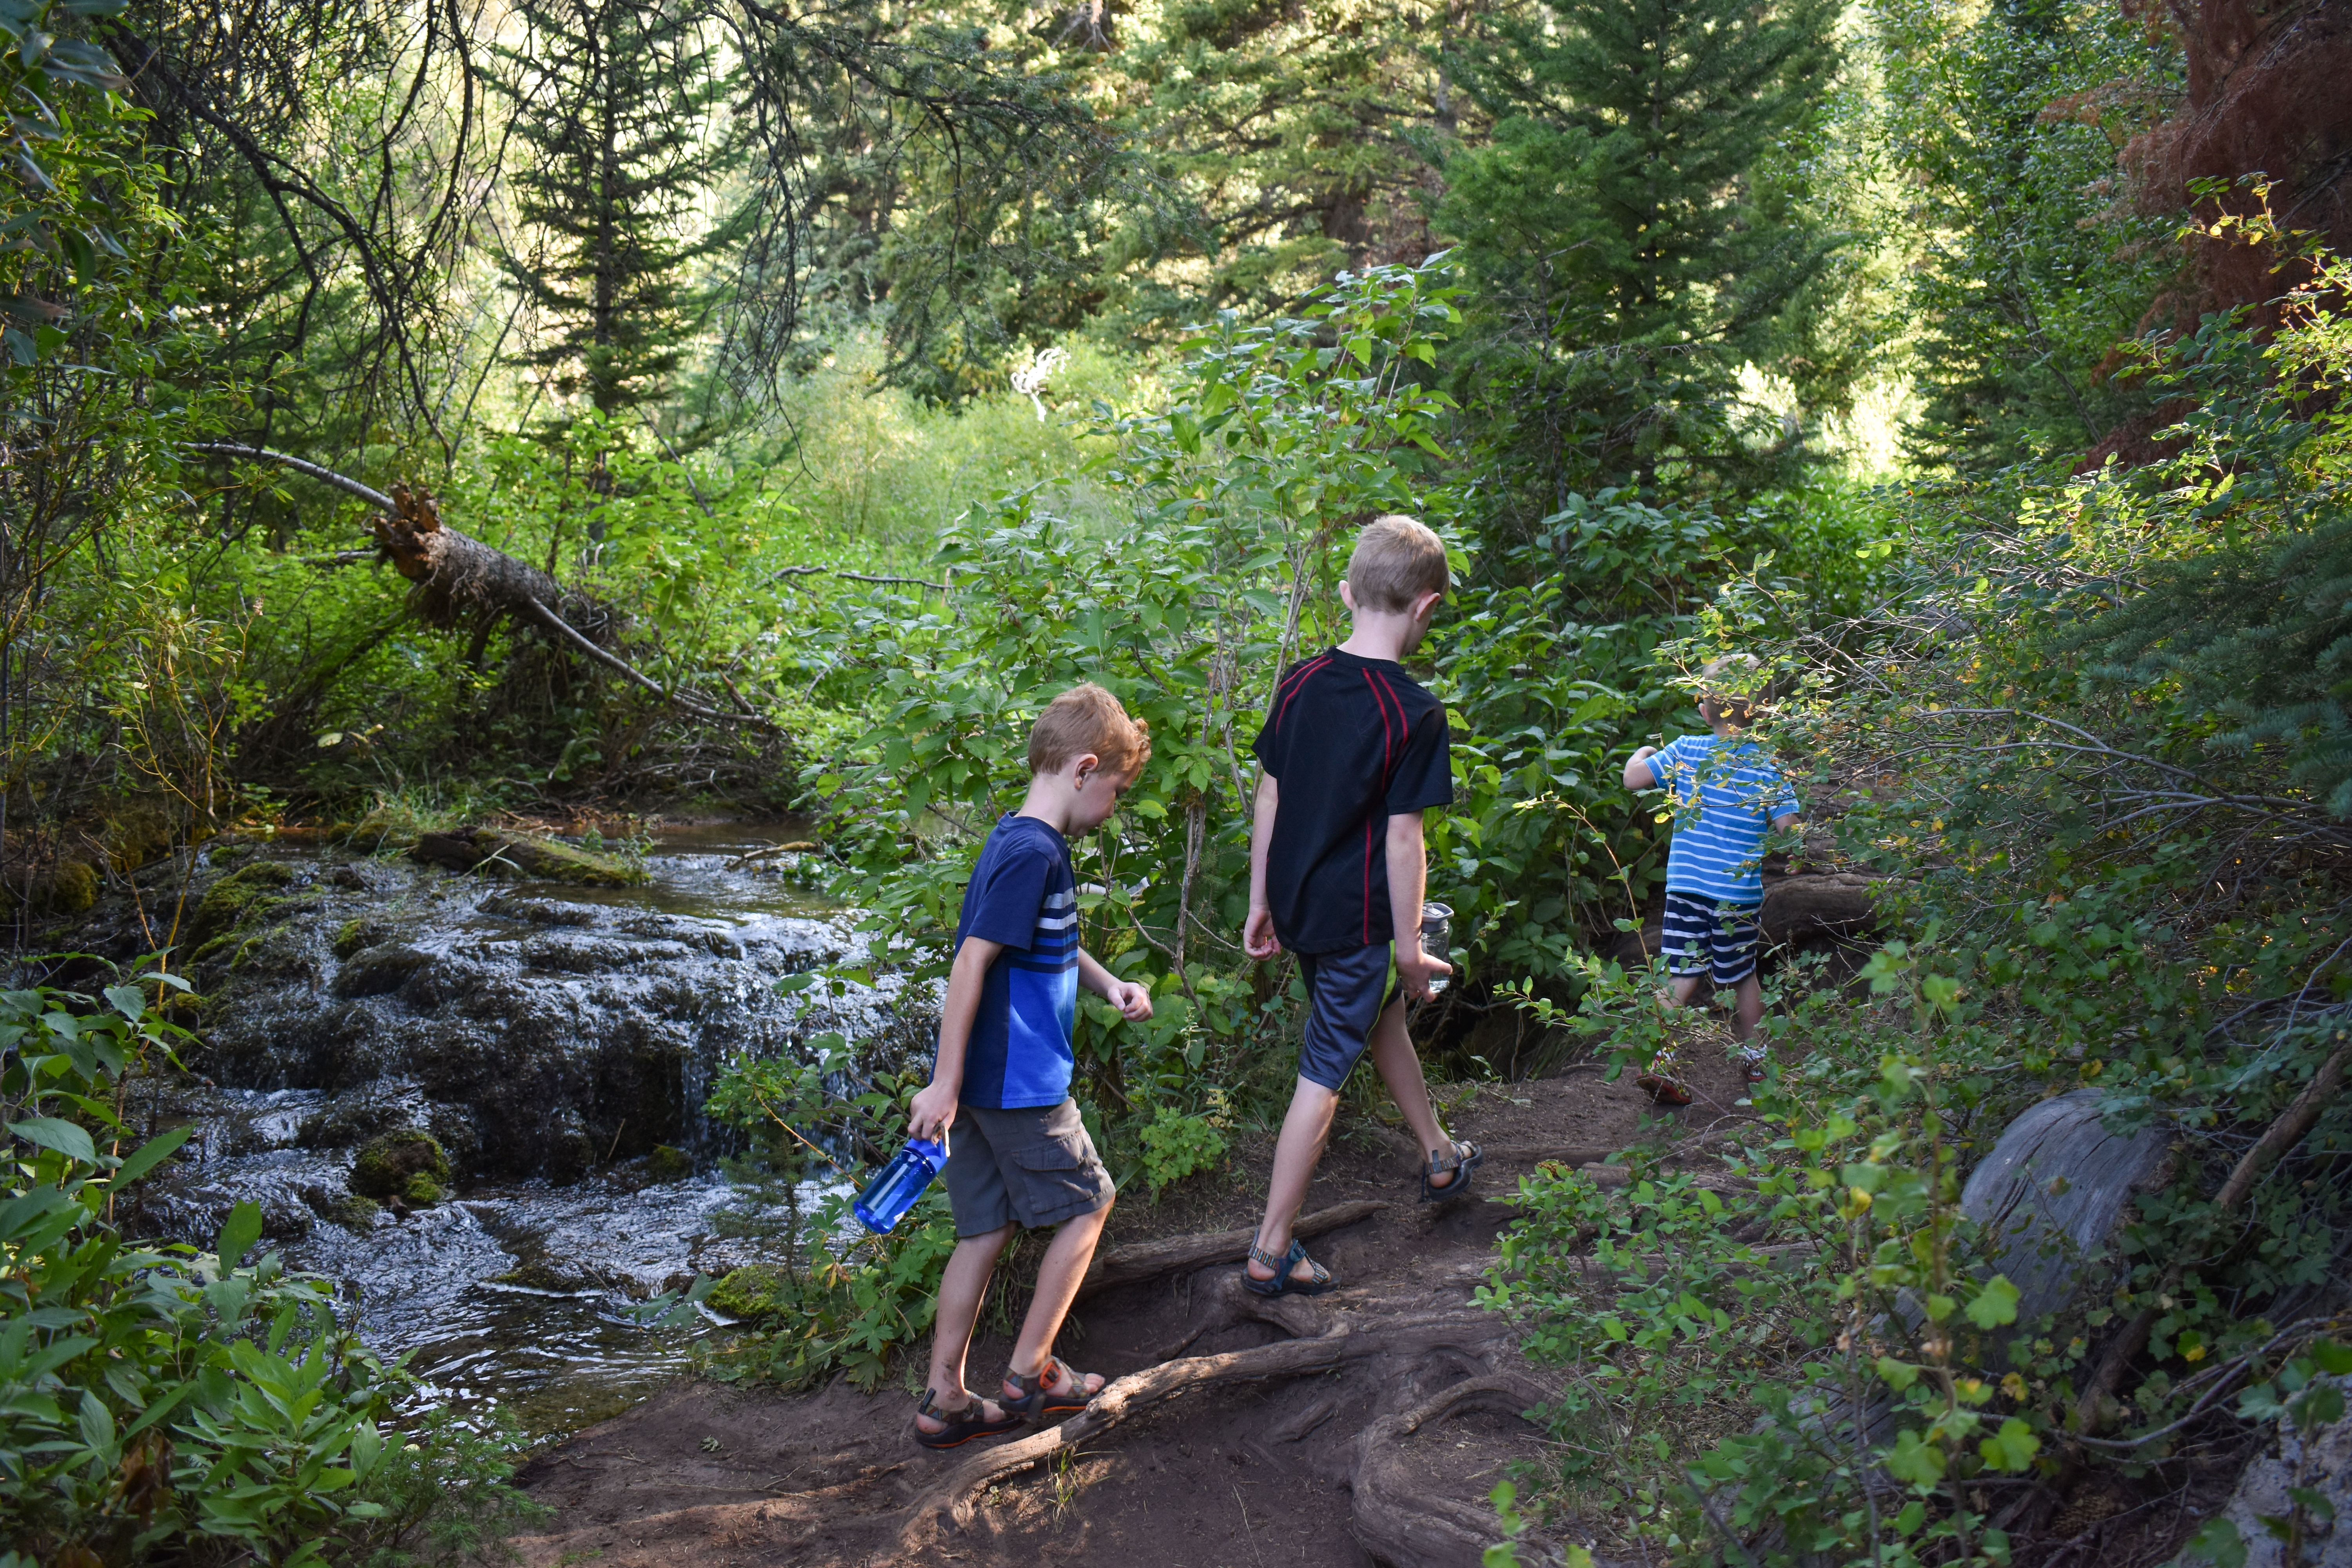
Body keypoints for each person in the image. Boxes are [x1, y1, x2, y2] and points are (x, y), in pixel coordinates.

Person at [903, 684, 1156, 1449]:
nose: (1112, 806)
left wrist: (1107, 981)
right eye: (1115, 790)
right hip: (1018, 1080)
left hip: (985, 1083)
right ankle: (1031, 1371)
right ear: (1085, 770)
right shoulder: (1037, 851)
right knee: (1090, 1204)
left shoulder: (1017, 840)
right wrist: (942, 1082)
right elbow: (971, 962)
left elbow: (1041, 938)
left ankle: (945, 1396)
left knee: (984, 1228)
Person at [1239, 514, 1481, 1299]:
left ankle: (1439, 1151)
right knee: (1324, 1070)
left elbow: (1270, 791)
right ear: (1427, 606)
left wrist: (1262, 898)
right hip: (1361, 922)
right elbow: (1403, 842)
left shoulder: (1302, 681)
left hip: (1303, 907)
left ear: (1348, 594)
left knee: (1377, 1023)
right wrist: (1409, 947)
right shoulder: (1415, 712)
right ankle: (1271, 1247)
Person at [1620, 654, 1801, 1104]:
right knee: (1742, 976)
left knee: (1681, 973)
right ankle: (1756, 1059)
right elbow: (1792, 834)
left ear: (1704, 709)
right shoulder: (1769, 766)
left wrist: (1643, 753)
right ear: (1762, 711)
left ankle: (1662, 1059)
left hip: (1685, 888)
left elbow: (1632, 779)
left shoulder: (1686, 751)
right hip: (1735, 896)